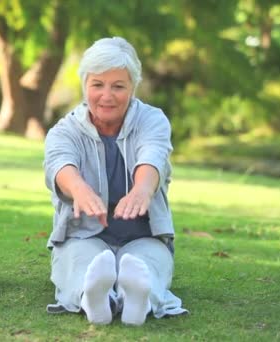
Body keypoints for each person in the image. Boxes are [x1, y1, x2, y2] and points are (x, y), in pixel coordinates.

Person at [43, 37, 187, 326]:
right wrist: (80, 190)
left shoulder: (152, 120)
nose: (106, 95)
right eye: (98, 85)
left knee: (143, 266)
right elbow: (60, 164)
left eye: (117, 86)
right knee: (85, 264)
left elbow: (154, 154)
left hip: (143, 236)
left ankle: (138, 302)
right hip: (85, 235)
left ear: (132, 87)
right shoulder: (64, 130)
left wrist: (142, 189)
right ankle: (95, 299)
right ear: (85, 85)